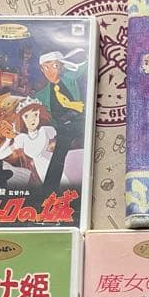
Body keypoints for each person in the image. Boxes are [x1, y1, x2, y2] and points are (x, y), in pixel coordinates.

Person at [33, 48, 87, 195]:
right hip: (64, 129)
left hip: (83, 122)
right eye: (45, 68)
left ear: (61, 66)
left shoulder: (71, 78)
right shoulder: (42, 95)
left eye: (54, 66)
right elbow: (31, 107)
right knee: (58, 154)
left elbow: (85, 64)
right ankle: (49, 192)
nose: (50, 71)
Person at [0, 98, 57, 185]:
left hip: (55, 164)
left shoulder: (45, 130)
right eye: (26, 116)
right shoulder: (22, 139)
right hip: (42, 171)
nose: (32, 119)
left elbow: (59, 141)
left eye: (35, 114)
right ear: (21, 119)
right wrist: (8, 140)